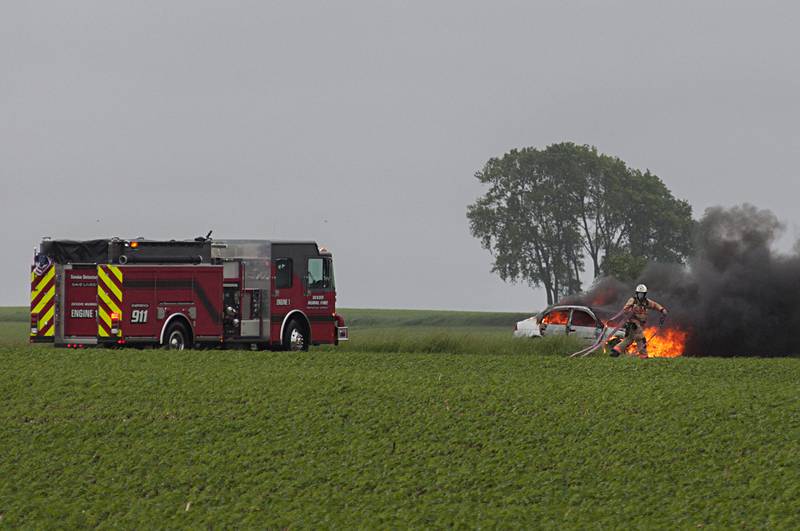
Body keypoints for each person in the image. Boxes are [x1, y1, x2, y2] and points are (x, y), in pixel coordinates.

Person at [611, 284, 668, 359]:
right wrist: (631, 310)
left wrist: (662, 309)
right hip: (633, 323)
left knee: (629, 339)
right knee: (641, 339)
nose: (640, 296)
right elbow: (625, 310)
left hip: (640, 324)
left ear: (645, 294)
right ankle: (644, 355)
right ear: (636, 293)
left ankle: (616, 350)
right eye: (639, 294)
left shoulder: (646, 302)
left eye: (642, 294)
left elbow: (654, 305)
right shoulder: (633, 300)